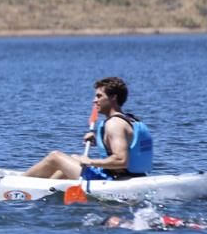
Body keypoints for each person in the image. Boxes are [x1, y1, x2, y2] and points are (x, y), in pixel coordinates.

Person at [24, 76, 153, 180]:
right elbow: (125, 145)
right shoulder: (127, 120)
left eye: (99, 96)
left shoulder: (114, 124)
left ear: (113, 97)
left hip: (114, 180)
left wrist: (91, 161)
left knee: (55, 156)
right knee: (74, 158)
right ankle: (49, 186)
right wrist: (99, 139)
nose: (94, 101)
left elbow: (121, 160)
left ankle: (20, 183)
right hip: (129, 176)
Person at [103, 214, 202, 230]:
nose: (117, 220)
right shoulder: (126, 226)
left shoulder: (130, 224)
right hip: (163, 222)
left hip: (162, 221)